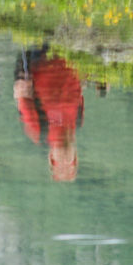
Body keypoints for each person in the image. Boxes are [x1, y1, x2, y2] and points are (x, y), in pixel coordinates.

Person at [13, 44, 84, 182]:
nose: (65, 158)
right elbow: (79, 88)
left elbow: (21, 92)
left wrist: (20, 84)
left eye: (61, 163)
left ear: (51, 156)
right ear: (75, 155)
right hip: (72, 52)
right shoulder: (78, 121)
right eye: (68, 163)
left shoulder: (40, 131)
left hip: (41, 55)